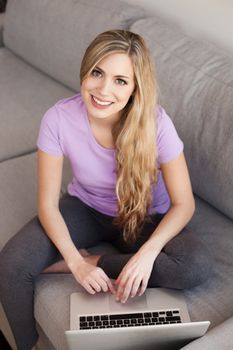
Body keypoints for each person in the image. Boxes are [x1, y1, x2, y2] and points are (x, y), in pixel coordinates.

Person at [0, 29, 212, 350]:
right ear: (85, 72)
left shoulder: (156, 123)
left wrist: (146, 254)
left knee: (194, 267)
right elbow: (47, 204)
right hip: (86, 208)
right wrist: (75, 262)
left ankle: (99, 258)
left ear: (135, 87)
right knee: (11, 265)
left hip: (147, 217)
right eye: (97, 73)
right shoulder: (58, 118)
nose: (102, 89)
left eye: (120, 80)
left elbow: (184, 203)